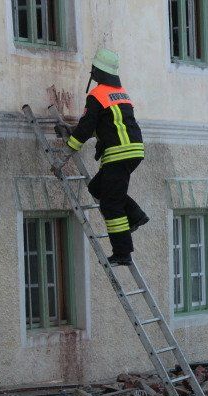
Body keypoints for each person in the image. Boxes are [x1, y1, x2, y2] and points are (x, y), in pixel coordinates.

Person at [65, 48, 149, 266]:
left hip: (118, 154)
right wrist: (74, 130)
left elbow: (87, 126)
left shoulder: (96, 95)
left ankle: (122, 253)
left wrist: (70, 147)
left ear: (96, 71)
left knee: (111, 204)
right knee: (96, 188)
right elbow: (106, 125)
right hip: (133, 151)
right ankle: (136, 215)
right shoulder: (121, 94)